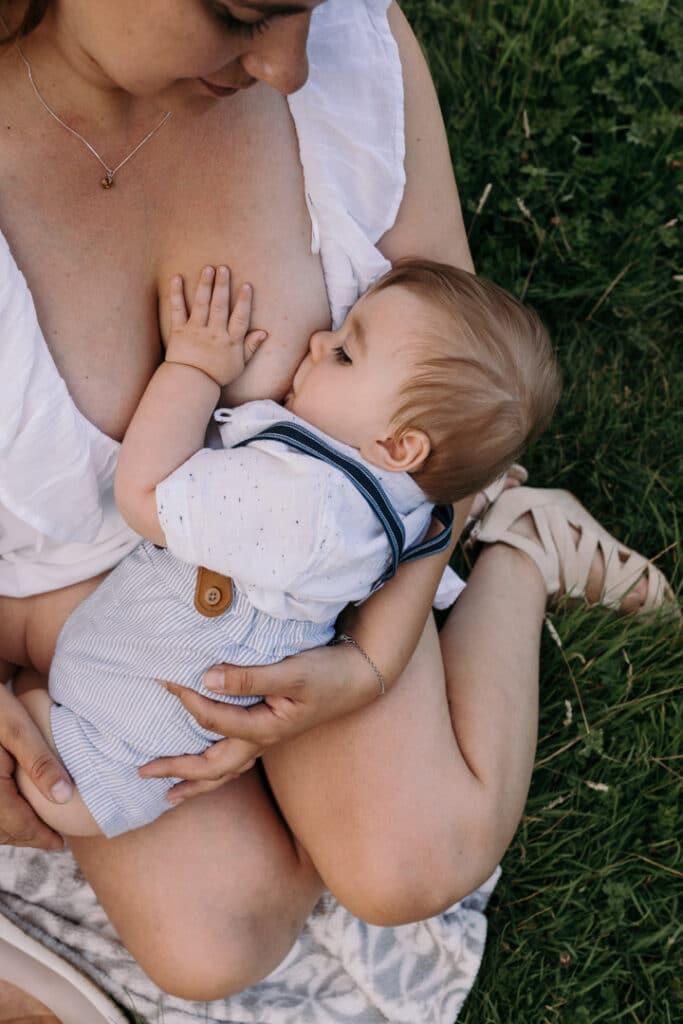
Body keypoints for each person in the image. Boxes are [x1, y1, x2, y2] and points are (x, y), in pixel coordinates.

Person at [0, 0, 675, 1003]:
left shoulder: (350, 53)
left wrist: (371, 664)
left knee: (406, 860)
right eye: (243, 11)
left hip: (321, 584)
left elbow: (442, 430)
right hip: (92, 624)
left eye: (306, 8)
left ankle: (521, 551)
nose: (288, 65)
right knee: (216, 937)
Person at [14, 257, 561, 838]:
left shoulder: (303, 508)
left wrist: (193, 367)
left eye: (347, 354)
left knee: (51, 793)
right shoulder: (406, 501)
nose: (321, 341)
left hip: (107, 750)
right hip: (119, 702)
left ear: (399, 447)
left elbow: (145, 494)